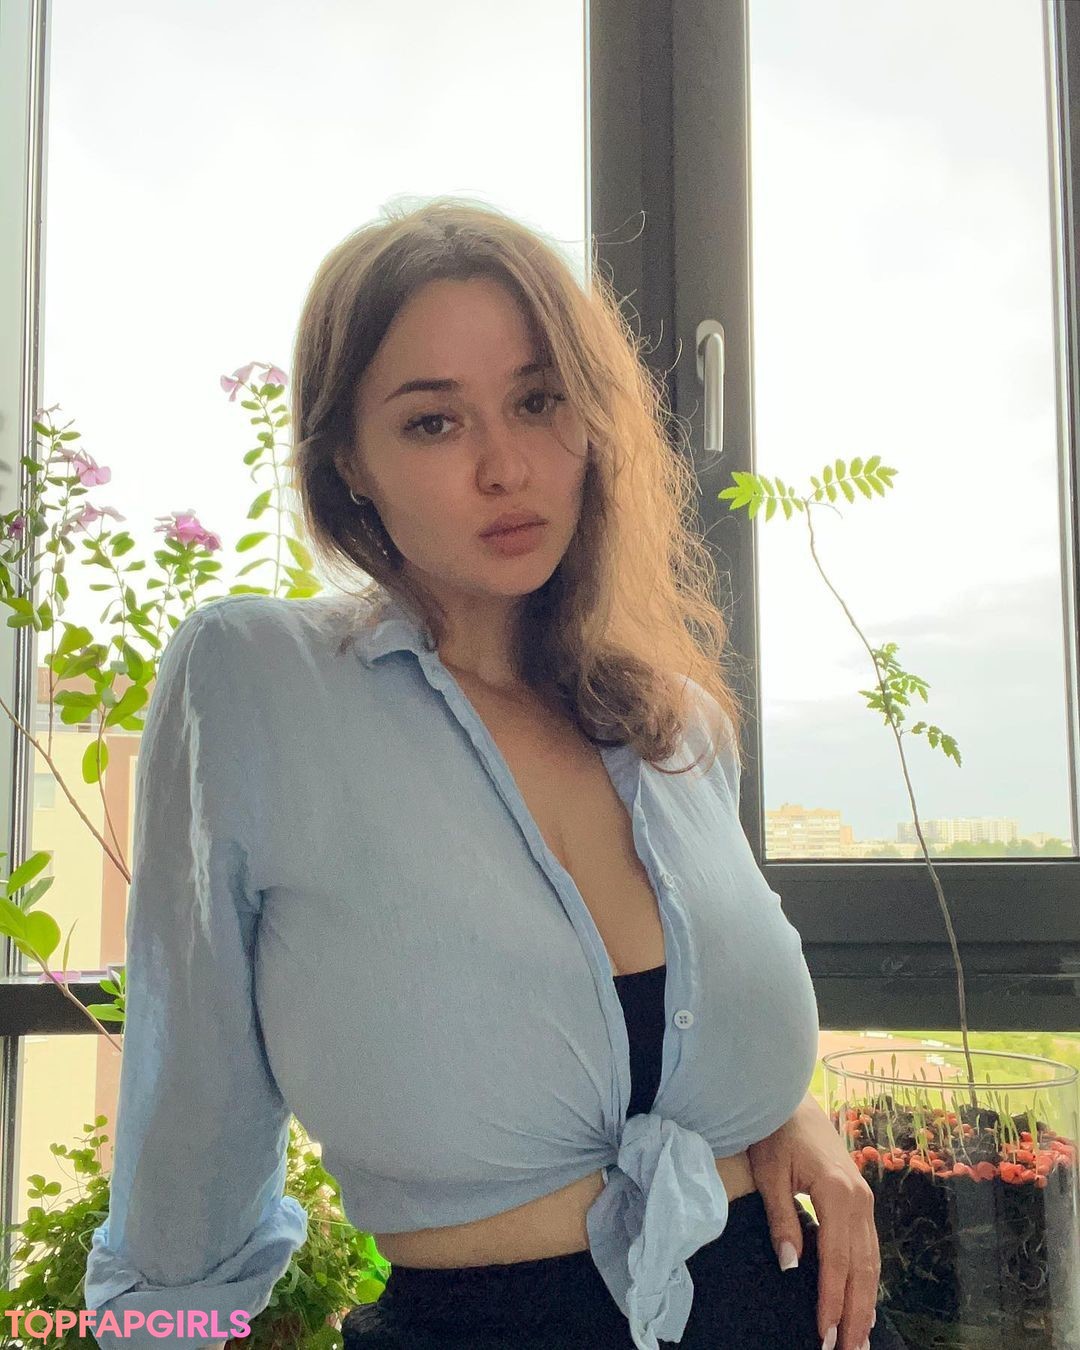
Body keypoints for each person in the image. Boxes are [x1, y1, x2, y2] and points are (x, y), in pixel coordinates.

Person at [83, 198, 905, 1350]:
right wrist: (162, 1334)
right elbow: (192, 1111)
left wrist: (782, 1111)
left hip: (792, 1311)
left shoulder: (677, 725)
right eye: (433, 422)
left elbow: (682, 1027)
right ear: (349, 463)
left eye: (539, 401)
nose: (506, 466)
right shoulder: (260, 681)